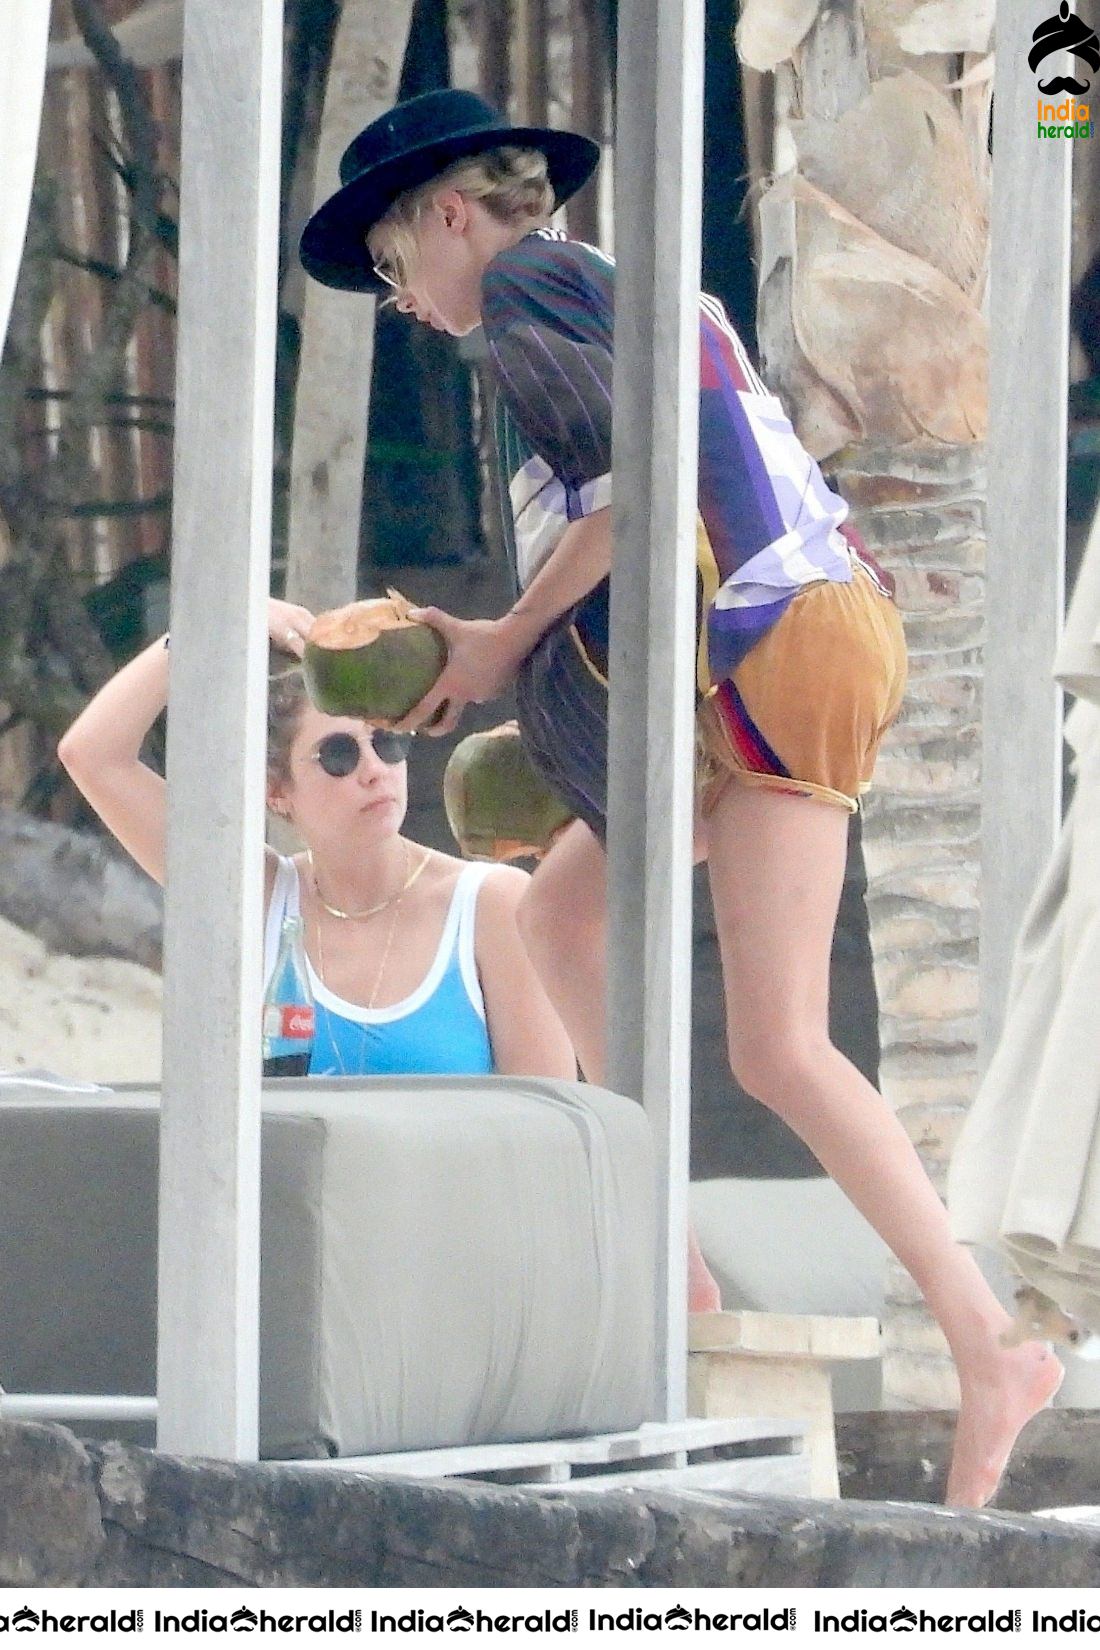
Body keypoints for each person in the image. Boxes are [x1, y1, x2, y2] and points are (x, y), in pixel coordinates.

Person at [299, 88, 1064, 1507]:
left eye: (396, 267)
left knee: (780, 1044)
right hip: (776, 642)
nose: (402, 303)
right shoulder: (604, 288)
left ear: (450, 217)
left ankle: (988, 1335)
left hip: (779, 636)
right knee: (560, 916)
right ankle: (679, 1254)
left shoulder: (533, 283)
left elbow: (632, 494)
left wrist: (494, 645)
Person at [57, 597, 576, 1083]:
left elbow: (548, 1126)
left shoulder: (492, 904)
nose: (374, 770)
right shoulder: (256, 899)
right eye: (339, 756)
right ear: (276, 790)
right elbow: (92, 753)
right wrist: (220, 620)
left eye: (388, 741)